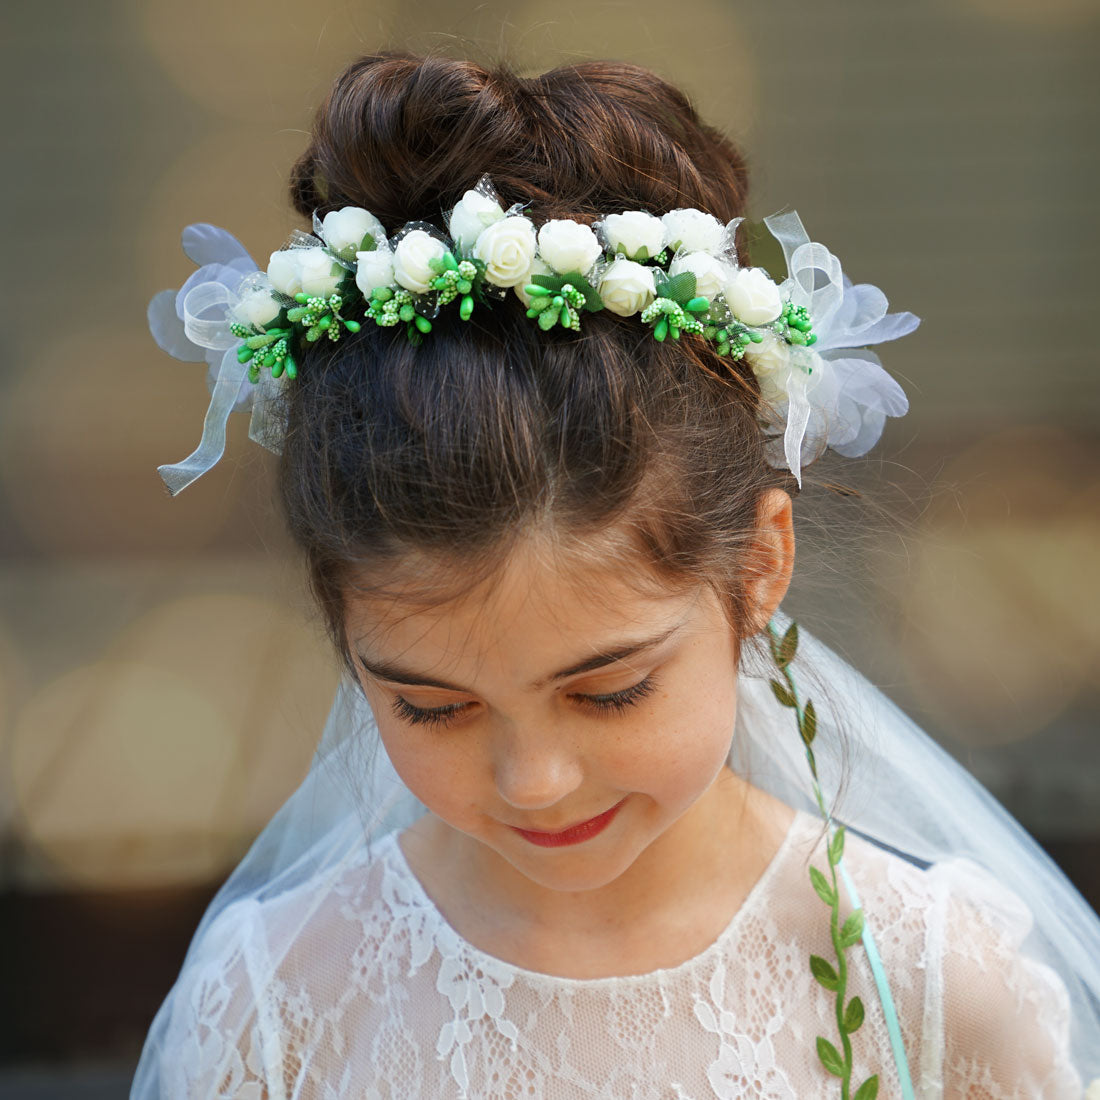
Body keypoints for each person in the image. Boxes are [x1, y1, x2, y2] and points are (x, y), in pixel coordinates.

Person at [132, 53, 1100, 1098]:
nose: (533, 779)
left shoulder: (931, 982)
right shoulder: (278, 1006)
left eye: (608, 689)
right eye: (431, 707)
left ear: (760, 563)